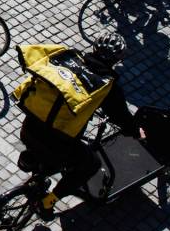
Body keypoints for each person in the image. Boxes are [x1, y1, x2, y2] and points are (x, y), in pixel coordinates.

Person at [18, 32, 139, 219]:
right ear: (117, 60)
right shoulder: (106, 85)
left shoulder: (68, 59)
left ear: (94, 47)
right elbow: (121, 116)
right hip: (56, 143)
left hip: (29, 128)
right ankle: (48, 202)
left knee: (45, 152)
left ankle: (34, 168)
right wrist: (135, 131)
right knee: (90, 164)